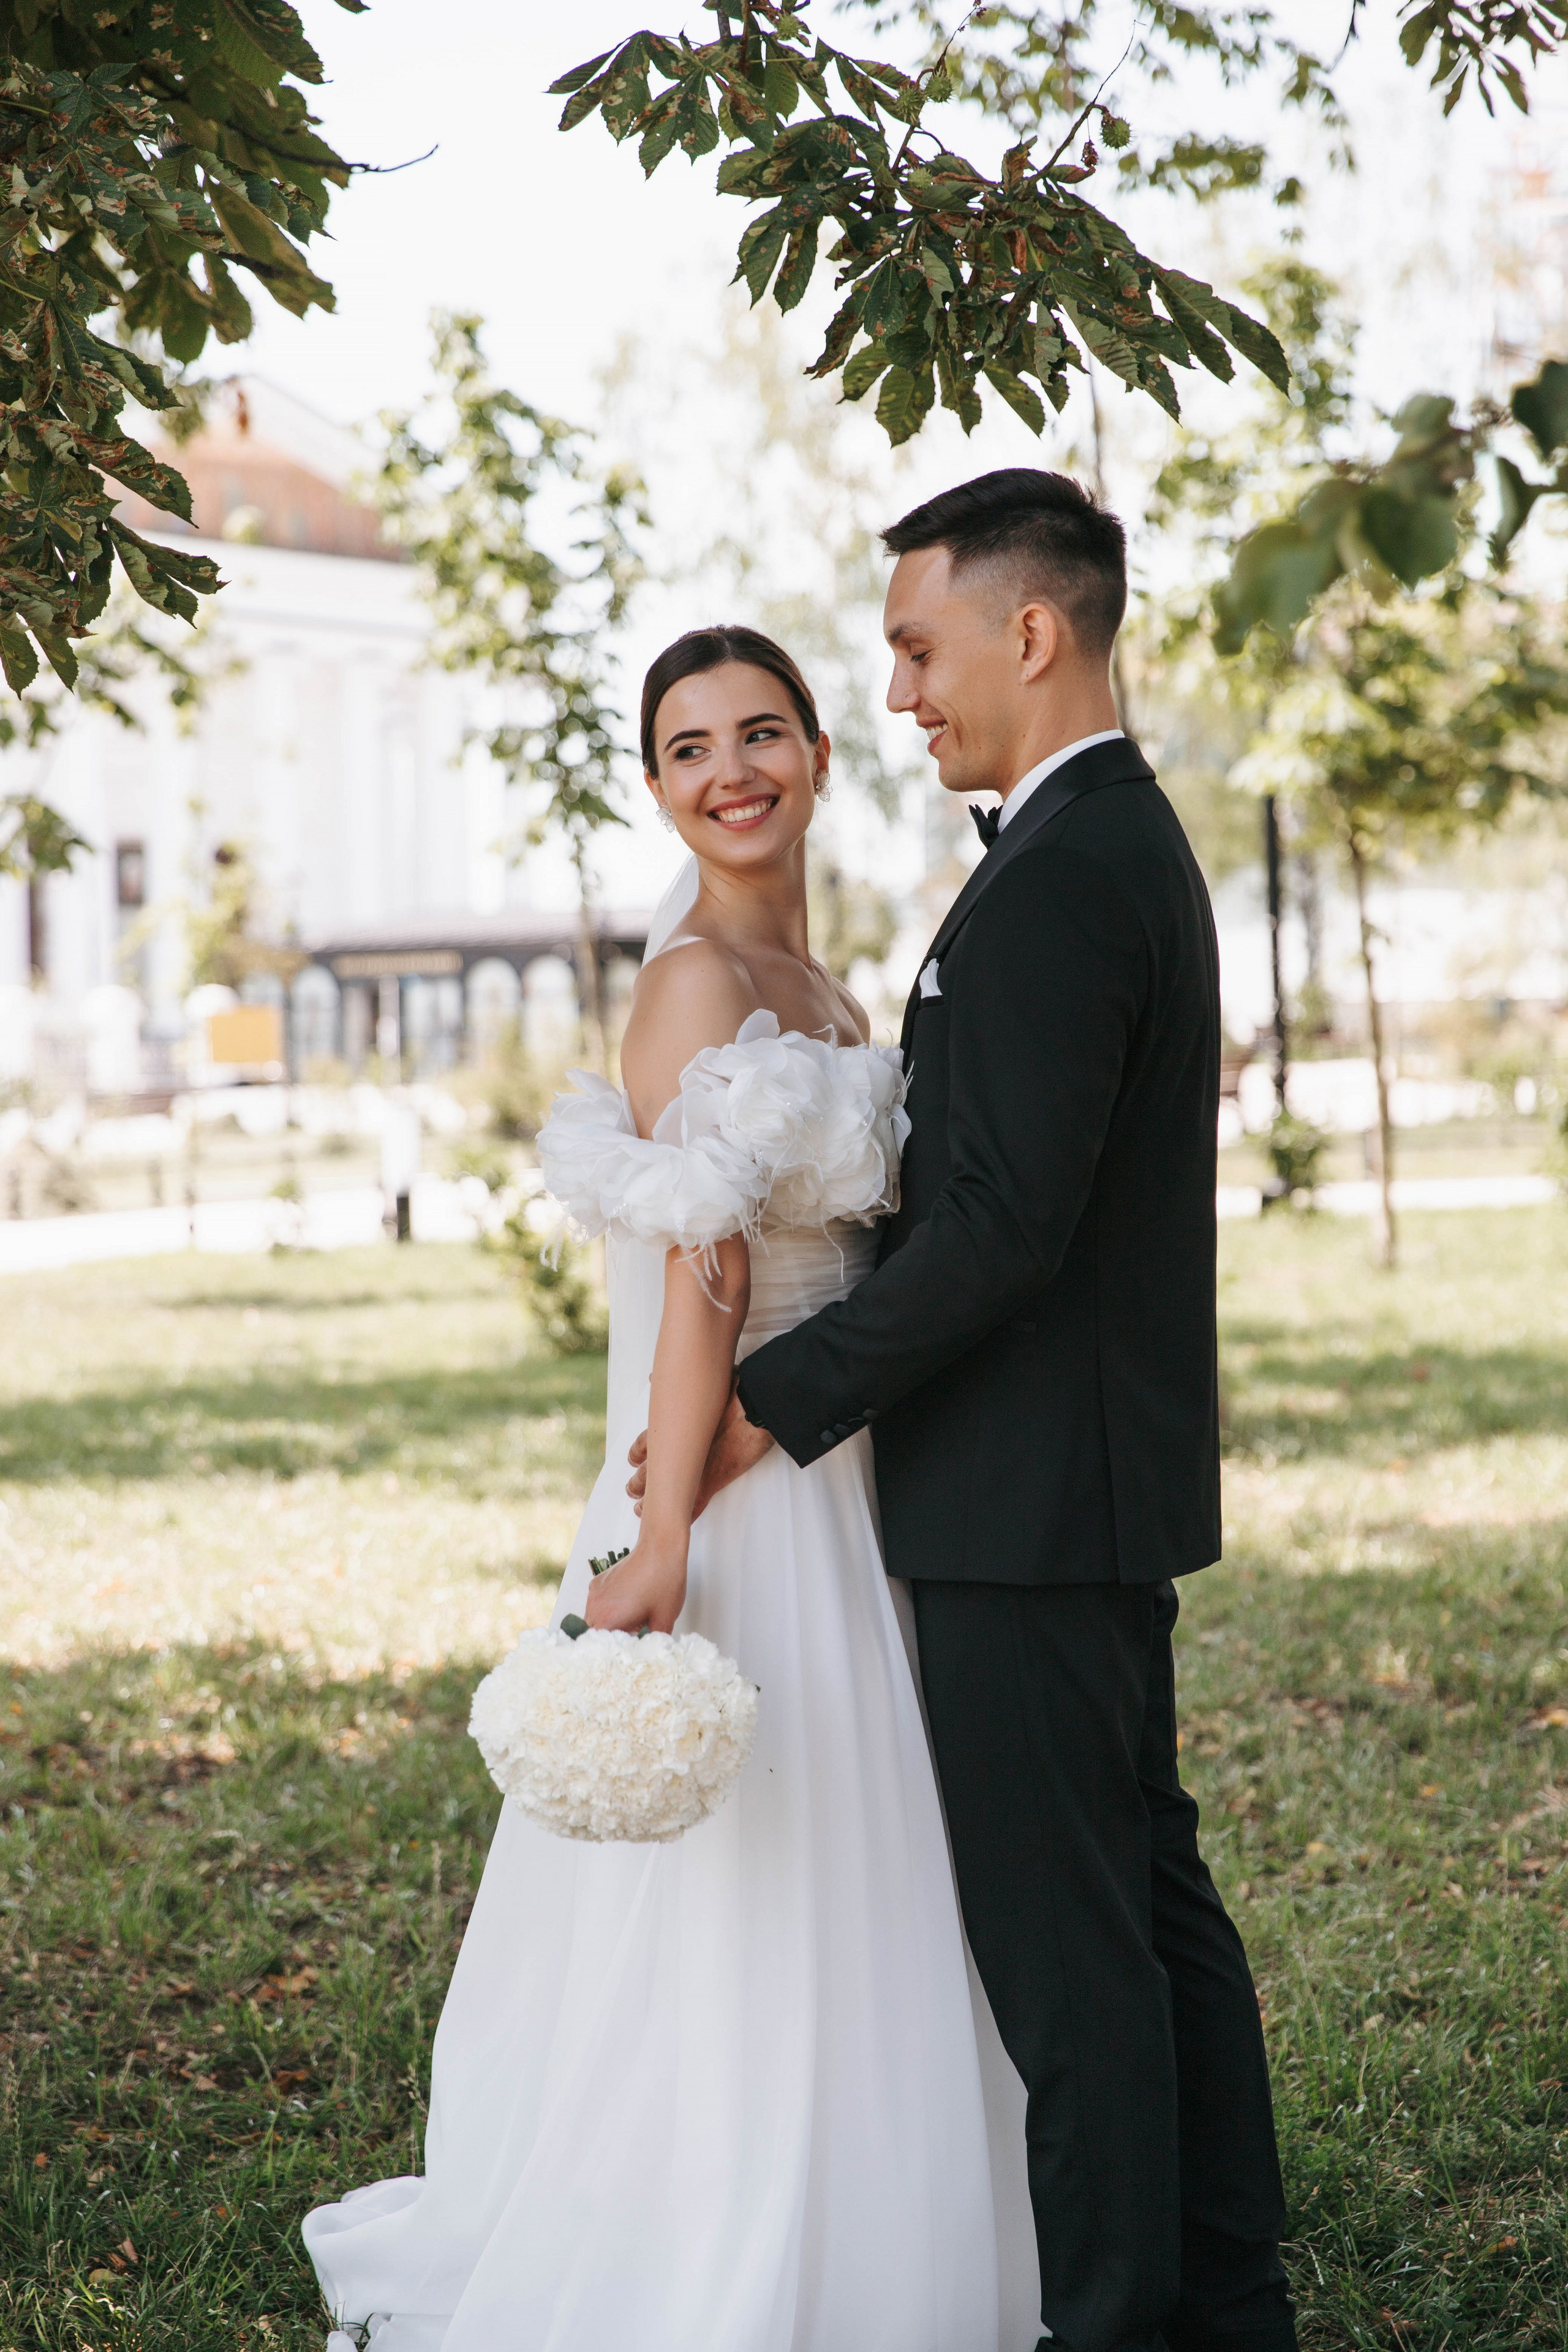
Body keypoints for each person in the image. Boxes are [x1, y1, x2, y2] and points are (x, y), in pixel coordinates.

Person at [301, 624, 1042, 2351]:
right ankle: (710, 2236)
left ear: (819, 756)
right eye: (691, 748)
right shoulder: (697, 980)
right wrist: (665, 1531)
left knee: (853, 1840)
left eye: (762, 733)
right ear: (655, 787)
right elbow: (702, 1272)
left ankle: (874, 2210)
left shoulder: (823, 984)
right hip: (734, 1474)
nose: (732, 772)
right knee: (742, 1864)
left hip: (843, 1461)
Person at [638, 471, 1298, 2352]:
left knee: (1076, 1960)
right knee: (1145, 1910)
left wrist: (769, 1404)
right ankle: (1226, 2296)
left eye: (919, 649)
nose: (903, 690)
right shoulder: (1099, 841)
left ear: (1031, 630)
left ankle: (1122, 2321)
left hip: (1028, 1498)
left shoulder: (1066, 872)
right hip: (1071, 1486)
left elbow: (1003, 1227)